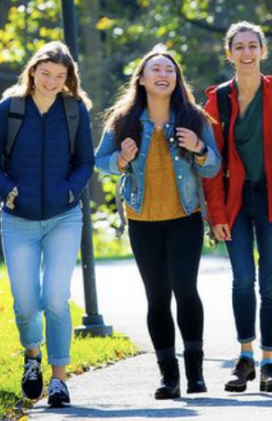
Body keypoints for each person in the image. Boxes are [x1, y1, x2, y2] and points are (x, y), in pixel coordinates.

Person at [95, 46, 221, 399]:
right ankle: (169, 377)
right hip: (143, 219)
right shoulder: (123, 120)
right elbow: (99, 161)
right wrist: (121, 158)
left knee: (185, 289)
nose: (163, 74)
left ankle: (195, 373)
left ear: (177, 79)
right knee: (157, 297)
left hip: (185, 217)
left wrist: (199, 148)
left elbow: (213, 166)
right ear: (142, 79)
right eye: (156, 69)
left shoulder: (195, 118)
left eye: (169, 69)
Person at [0, 42, 94, 409]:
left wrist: (70, 192)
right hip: (18, 221)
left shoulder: (74, 111)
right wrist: (9, 191)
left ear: (68, 78)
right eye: (45, 74)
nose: (51, 81)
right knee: (27, 302)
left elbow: (85, 162)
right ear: (32, 71)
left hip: (63, 217)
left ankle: (59, 380)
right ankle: (32, 358)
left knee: (56, 298)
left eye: (60, 77)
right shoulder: (9, 109)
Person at [202, 22, 272, 393]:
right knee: (243, 279)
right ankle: (245, 358)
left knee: (271, 284)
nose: (246, 52)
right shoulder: (219, 100)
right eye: (238, 46)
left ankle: (269, 362)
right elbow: (211, 164)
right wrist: (217, 215)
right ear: (229, 53)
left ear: (262, 50)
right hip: (235, 200)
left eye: (252, 45)